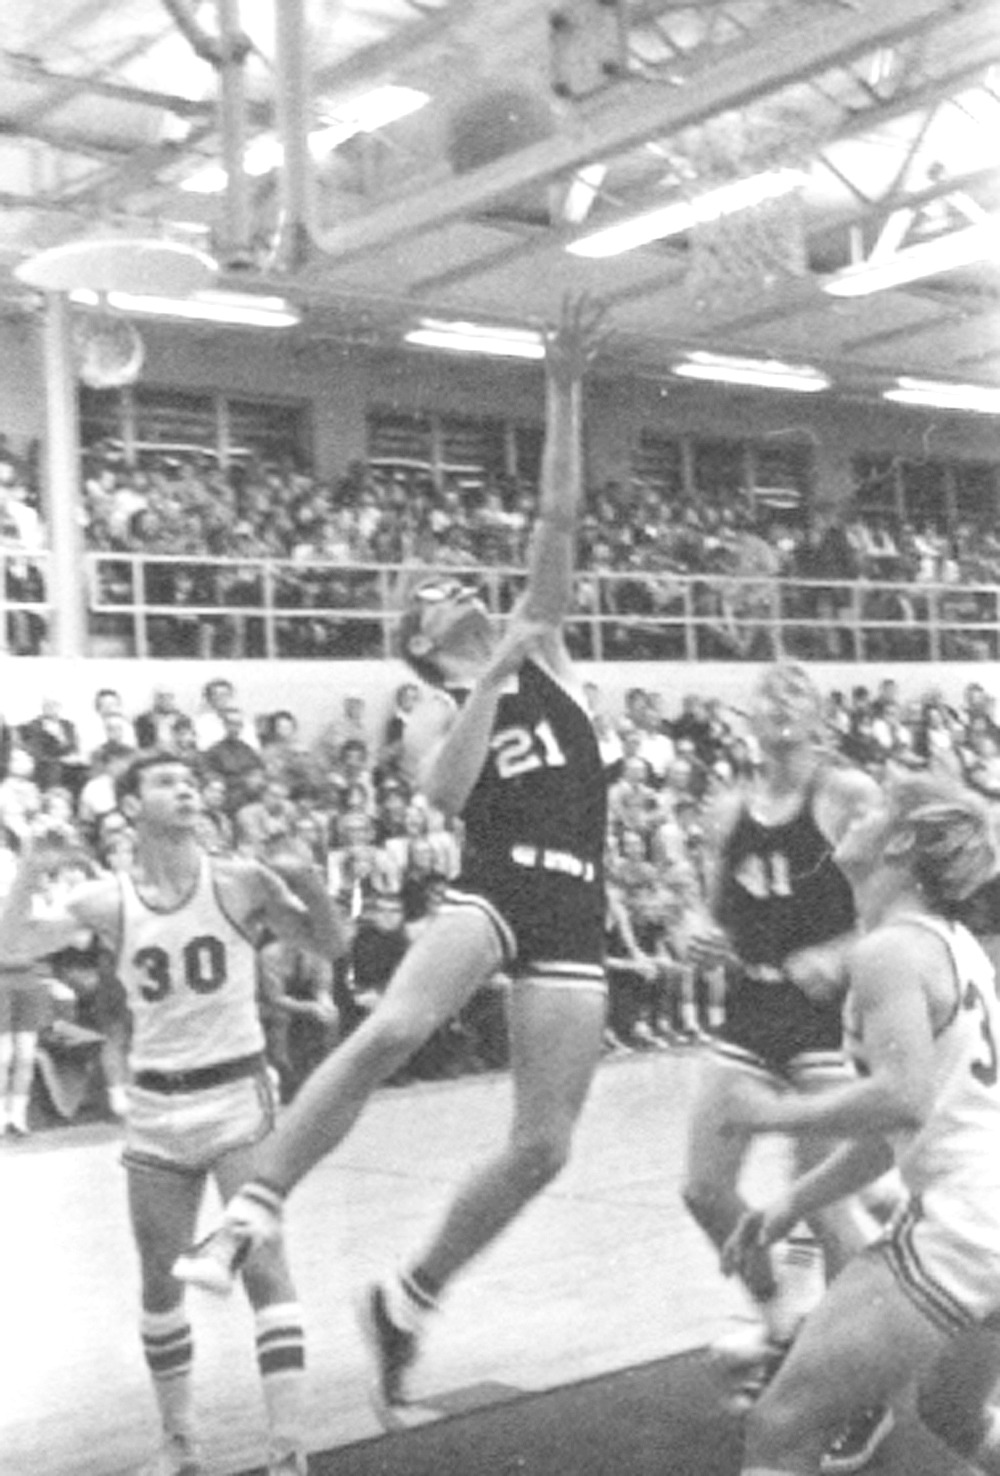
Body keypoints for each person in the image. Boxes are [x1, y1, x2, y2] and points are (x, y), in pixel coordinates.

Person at [173, 293, 611, 1415]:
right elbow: (446, 791)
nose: (462, 588)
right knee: (397, 1026)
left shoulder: (546, 646)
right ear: (419, 636)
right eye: (437, 593)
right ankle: (251, 1209)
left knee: (544, 1148)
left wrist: (561, 389)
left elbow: (558, 520)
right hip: (500, 879)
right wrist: (493, 674)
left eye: (464, 580)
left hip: (579, 901)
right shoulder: (430, 702)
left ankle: (408, 1300)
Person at [0, 751, 343, 1476]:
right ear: (131, 807)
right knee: (160, 1278)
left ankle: (288, 1450)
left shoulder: (240, 880)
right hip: (156, 1104)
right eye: (165, 781)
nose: (186, 787)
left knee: (263, 1265)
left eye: (190, 780)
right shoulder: (107, 898)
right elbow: (9, 947)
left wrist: (309, 881)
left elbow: (330, 943)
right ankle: (180, 1445)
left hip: (236, 1094)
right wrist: (30, 865)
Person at [721, 771, 1000, 1476]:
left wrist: (773, 1113)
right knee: (954, 1414)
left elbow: (900, 1100)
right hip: (989, 1206)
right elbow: (897, 1131)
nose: (853, 814)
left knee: (780, 1425)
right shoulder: (950, 944)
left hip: (966, 1220)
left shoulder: (890, 951)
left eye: (872, 809)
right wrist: (795, 1200)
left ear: (901, 841)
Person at [679, 662, 891, 1474]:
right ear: (747, 717)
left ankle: (864, 1386)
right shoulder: (727, 807)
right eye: (765, 694)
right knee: (704, 1188)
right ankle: (781, 1323)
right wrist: (697, 931)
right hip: (751, 1007)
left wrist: (840, 952)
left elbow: (899, 902)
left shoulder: (846, 795)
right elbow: (708, 906)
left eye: (794, 693)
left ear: (820, 717)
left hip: (828, 1019)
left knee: (828, 1206)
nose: (776, 703)